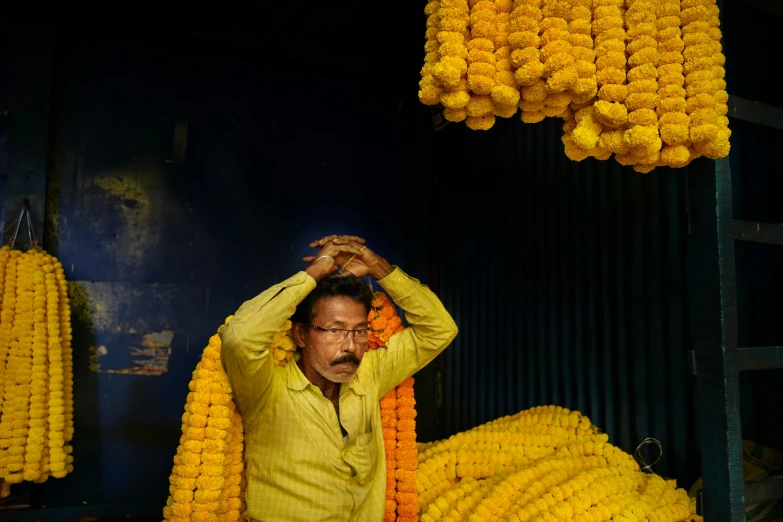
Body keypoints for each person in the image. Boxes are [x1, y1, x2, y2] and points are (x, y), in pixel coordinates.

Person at [219, 234, 458, 522]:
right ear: (301, 334)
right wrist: (314, 274)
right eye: (334, 330)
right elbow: (239, 337)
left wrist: (379, 268)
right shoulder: (265, 388)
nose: (350, 345)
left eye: (359, 331)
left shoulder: (370, 374)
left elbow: (440, 329)